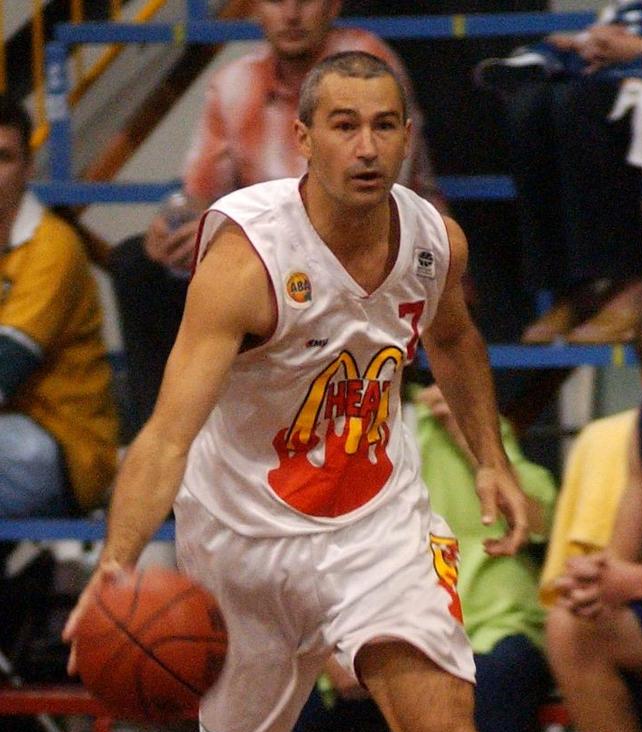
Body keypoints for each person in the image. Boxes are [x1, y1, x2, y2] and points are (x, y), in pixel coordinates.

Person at [64, 52, 528, 732]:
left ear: (409, 134)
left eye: (386, 125)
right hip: (244, 547)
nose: (367, 146)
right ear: (305, 138)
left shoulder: (435, 242)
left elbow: (454, 340)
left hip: (377, 526)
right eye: (346, 125)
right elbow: (163, 436)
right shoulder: (248, 261)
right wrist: (115, 563)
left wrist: (489, 458)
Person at [111, 0, 445, 436]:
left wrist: (238, 234)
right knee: (138, 264)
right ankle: (165, 448)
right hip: (270, 260)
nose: (291, 14)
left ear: (332, 6)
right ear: (254, 9)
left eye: (305, 0)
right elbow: (198, 194)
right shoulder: (234, 83)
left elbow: (366, 198)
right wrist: (173, 222)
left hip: (370, 251)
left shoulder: (368, 70)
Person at [537, 325, 642, 732]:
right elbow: (622, 563)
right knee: (572, 626)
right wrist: (594, 580)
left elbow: (633, 580)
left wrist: (628, 582)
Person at [413, 383, 556, 732]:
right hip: (409, 628)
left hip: (500, 630)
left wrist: (471, 439)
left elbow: (538, 518)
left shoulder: (491, 440)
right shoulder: (396, 436)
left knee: (504, 674)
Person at [474, 1, 642, 345]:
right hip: (620, 59)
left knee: (583, 105)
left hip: (636, 71)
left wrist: (638, 49)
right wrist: (586, 42)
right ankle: (571, 286)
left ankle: (633, 280)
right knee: (530, 110)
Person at [0, 95, 118, 520]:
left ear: (29, 168)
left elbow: (5, 370)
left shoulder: (53, 245)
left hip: (65, 446)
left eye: (4, 158)